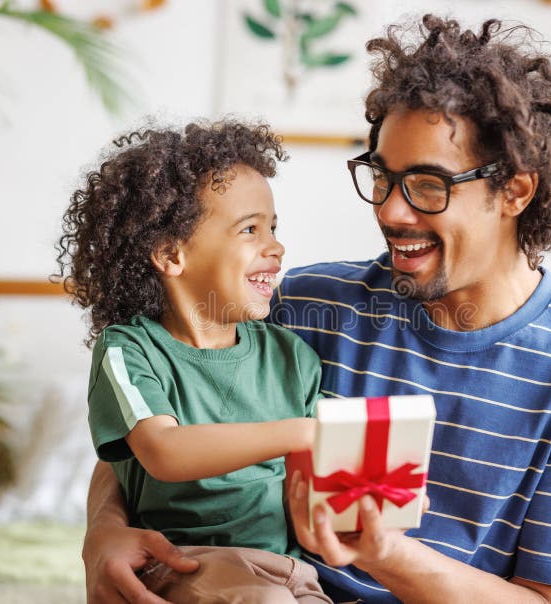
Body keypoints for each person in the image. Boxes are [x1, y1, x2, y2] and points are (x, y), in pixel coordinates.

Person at [80, 15, 551, 604]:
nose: (392, 212)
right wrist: (104, 530)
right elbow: (159, 422)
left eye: (428, 185)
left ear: (514, 190)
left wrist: (384, 553)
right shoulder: (297, 306)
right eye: (382, 177)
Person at [57, 120, 332, 603]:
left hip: (292, 573)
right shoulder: (129, 350)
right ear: (170, 255)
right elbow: (164, 451)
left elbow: (317, 485)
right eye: (250, 229)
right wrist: (301, 432)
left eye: (273, 227)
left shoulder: (293, 358)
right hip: (180, 567)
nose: (275, 246)